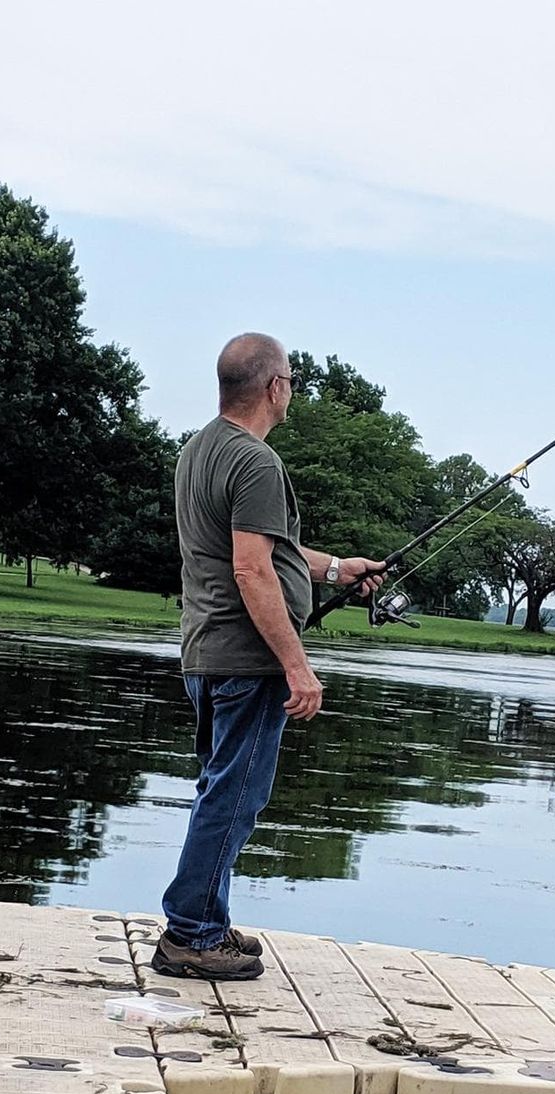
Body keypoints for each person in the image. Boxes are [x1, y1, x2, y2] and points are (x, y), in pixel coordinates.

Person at [151, 333, 385, 981]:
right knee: (234, 797)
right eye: (292, 381)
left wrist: (339, 568)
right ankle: (191, 933)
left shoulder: (198, 451)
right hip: (246, 660)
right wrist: (296, 664)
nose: (293, 392)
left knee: (221, 788)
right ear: (274, 387)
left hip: (205, 652)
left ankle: (207, 918)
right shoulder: (256, 463)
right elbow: (253, 571)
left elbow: (273, 551)